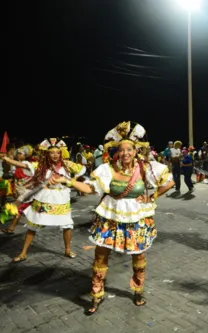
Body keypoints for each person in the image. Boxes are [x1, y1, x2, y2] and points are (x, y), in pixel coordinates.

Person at [50, 121, 175, 314]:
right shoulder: (107, 169)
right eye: (122, 149)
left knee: (139, 255)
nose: (125, 153)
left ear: (136, 151)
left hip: (137, 217)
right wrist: (66, 180)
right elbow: (90, 188)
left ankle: (137, 290)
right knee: (100, 255)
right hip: (110, 217)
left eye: (129, 150)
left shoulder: (147, 168)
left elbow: (169, 182)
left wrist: (152, 196)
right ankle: (96, 294)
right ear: (117, 151)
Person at [0, 138, 86, 262]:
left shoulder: (67, 165)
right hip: (44, 198)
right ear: (47, 154)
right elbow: (24, 165)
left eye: (57, 152)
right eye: (52, 152)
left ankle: (67, 250)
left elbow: (81, 169)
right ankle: (23, 253)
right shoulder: (41, 166)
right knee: (33, 225)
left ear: (60, 153)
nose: (55, 155)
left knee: (67, 225)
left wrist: (73, 180)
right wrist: (7, 159)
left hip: (61, 199)